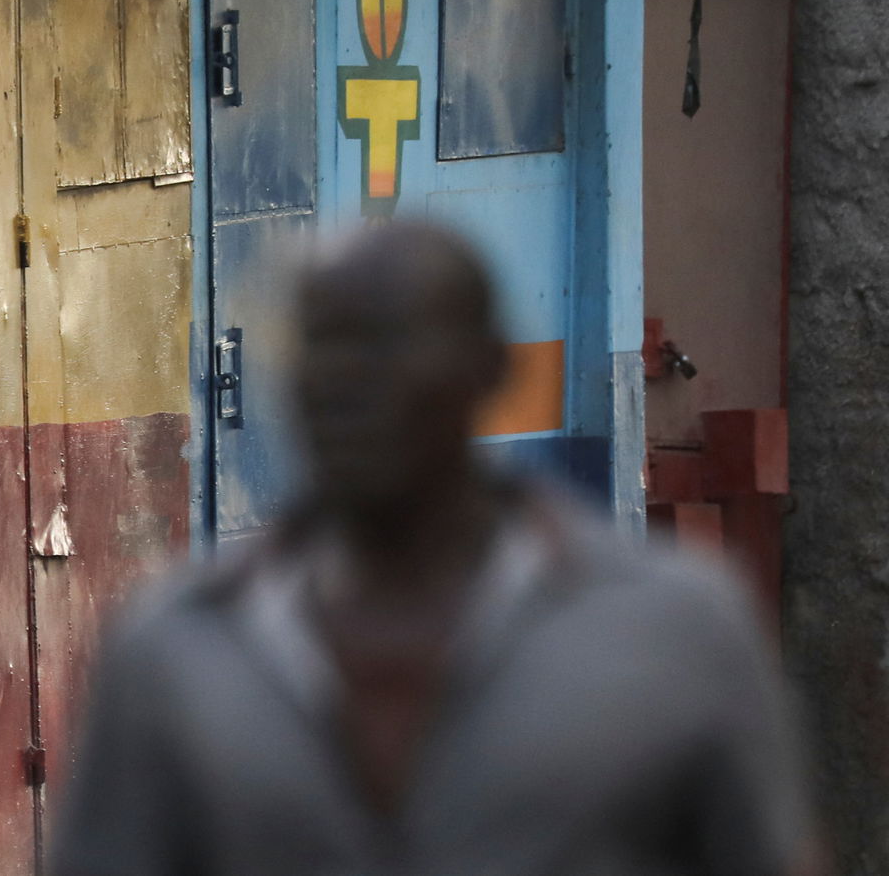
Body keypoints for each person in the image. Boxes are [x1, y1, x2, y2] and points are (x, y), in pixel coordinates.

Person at [50, 221, 820, 876]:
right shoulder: (174, 650)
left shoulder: (673, 633)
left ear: (489, 370)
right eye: (321, 347)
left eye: (385, 346)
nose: (344, 381)